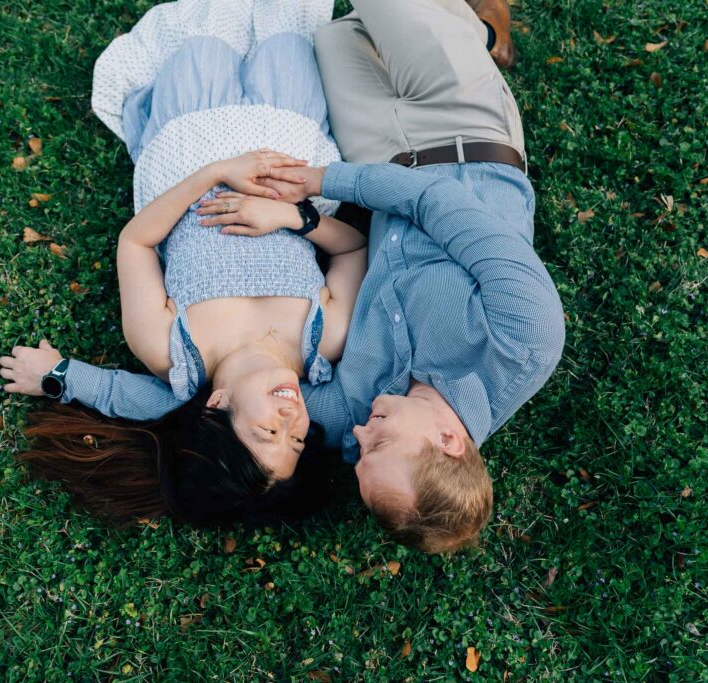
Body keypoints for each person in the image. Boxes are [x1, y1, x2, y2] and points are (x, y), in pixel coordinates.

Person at [0, 0, 367, 526]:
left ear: (215, 408)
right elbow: (352, 246)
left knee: (204, 49)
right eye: (299, 437)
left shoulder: (171, 349)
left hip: (189, 154)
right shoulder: (323, 339)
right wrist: (290, 218)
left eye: (269, 432)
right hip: (289, 152)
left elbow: (136, 244)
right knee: (288, 46)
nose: (291, 417)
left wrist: (214, 170)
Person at [227, 0, 565, 552]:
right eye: (378, 446)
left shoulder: (359, 411)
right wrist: (319, 180)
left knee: (336, 37)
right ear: (449, 440)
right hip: (463, 124)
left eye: (358, 455)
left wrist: (65, 379)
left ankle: (478, 31)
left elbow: (225, 396)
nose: (359, 435)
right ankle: (478, 36)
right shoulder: (524, 341)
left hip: (378, 148)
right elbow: (435, 200)